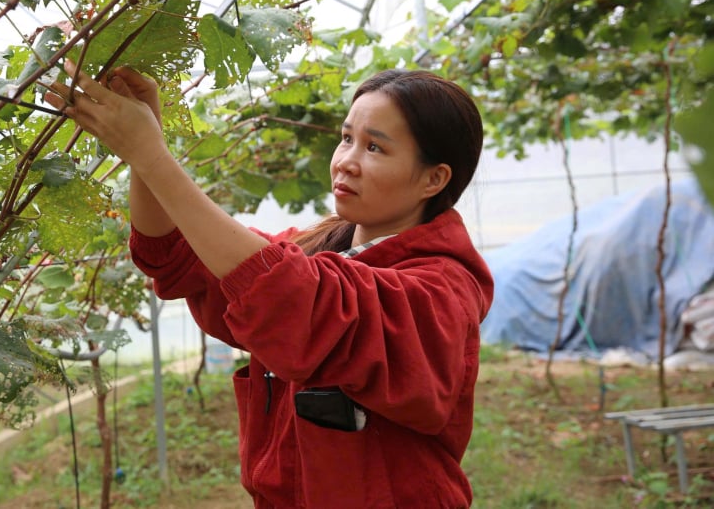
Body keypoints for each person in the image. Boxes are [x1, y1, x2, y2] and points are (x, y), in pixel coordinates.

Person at [46, 62, 494, 508]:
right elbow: (178, 254)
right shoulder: (315, 250)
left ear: (433, 179)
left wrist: (152, 156)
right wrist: (146, 151)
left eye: (375, 147)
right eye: (346, 138)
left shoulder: (442, 291)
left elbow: (304, 301)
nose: (346, 161)